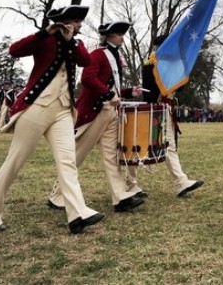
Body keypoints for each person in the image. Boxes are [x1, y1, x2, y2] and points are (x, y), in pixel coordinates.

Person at [0, 5, 104, 234]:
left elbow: (85, 60)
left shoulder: (76, 43)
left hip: (64, 110)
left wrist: (70, 39)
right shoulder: (44, 39)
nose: (80, 25)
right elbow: (15, 50)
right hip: (36, 108)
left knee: (67, 162)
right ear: (64, 21)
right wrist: (46, 31)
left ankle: (77, 213)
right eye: (76, 21)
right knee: (15, 161)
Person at [47, 21, 145, 213]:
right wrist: (109, 94)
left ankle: (120, 197)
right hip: (94, 112)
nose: (122, 38)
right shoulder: (98, 54)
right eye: (119, 35)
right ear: (109, 36)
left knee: (111, 156)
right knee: (77, 156)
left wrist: (127, 91)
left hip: (110, 111)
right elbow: (88, 79)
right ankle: (57, 196)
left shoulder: (114, 56)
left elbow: (111, 86)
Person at [129, 34, 204, 198]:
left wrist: (182, 68)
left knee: (169, 146)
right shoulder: (150, 65)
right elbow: (151, 93)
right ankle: (130, 184)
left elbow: (182, 88)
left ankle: (181, 182)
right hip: (153, 111)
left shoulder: (172, 65)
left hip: (166, 110)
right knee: (137, 147)